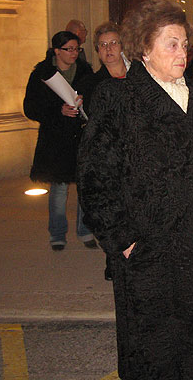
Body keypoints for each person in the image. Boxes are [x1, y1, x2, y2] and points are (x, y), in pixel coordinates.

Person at [76, 0, 193, 380]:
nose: (183, 52)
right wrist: (122, 239)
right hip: (149, 248)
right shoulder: (118, 99)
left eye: (185, 44)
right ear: (144, 50)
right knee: (154, 348)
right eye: (171, 44)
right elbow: (94, 178)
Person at [23, 31, 96, 251]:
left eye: (77, 49)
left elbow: (96, 102)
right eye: (69, 49)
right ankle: (57, 234)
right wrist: (58, 110)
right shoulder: (42, 74)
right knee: (59, 189)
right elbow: (31, 108)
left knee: (85, 188)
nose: (74, 53)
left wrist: (85, 103)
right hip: (56, 140)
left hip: (81, 136)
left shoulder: (85, 72)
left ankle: (85, 231)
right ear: (56, 50)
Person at [76, 21, 128, 281]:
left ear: (122, 46)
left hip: (136, 155)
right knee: (113, 210)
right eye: (103, 45)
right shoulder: (91, 83)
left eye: (113, 43)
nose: (109, 49)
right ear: (97, 51)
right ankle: (113, 258)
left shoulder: (139, 76)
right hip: (109, 158)